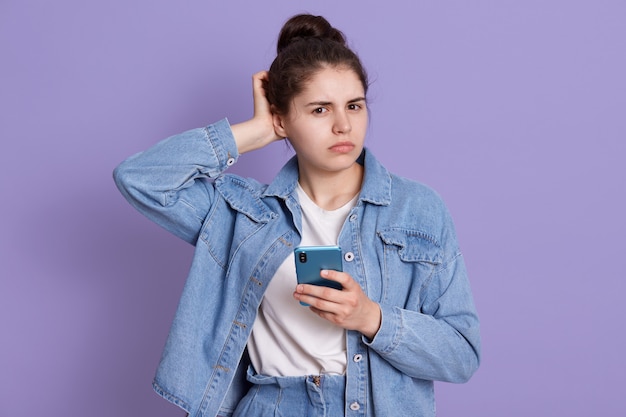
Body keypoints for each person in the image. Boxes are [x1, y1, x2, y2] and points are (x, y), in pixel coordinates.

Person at [114, 13, 480, 417]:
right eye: (320, 110)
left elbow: (461, 354)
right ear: (283, 118)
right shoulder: (242, 214)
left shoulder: (418, 210)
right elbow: (140, 179)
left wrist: (371, 318)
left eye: (354, 105)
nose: (344, 125)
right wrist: (255, 131)